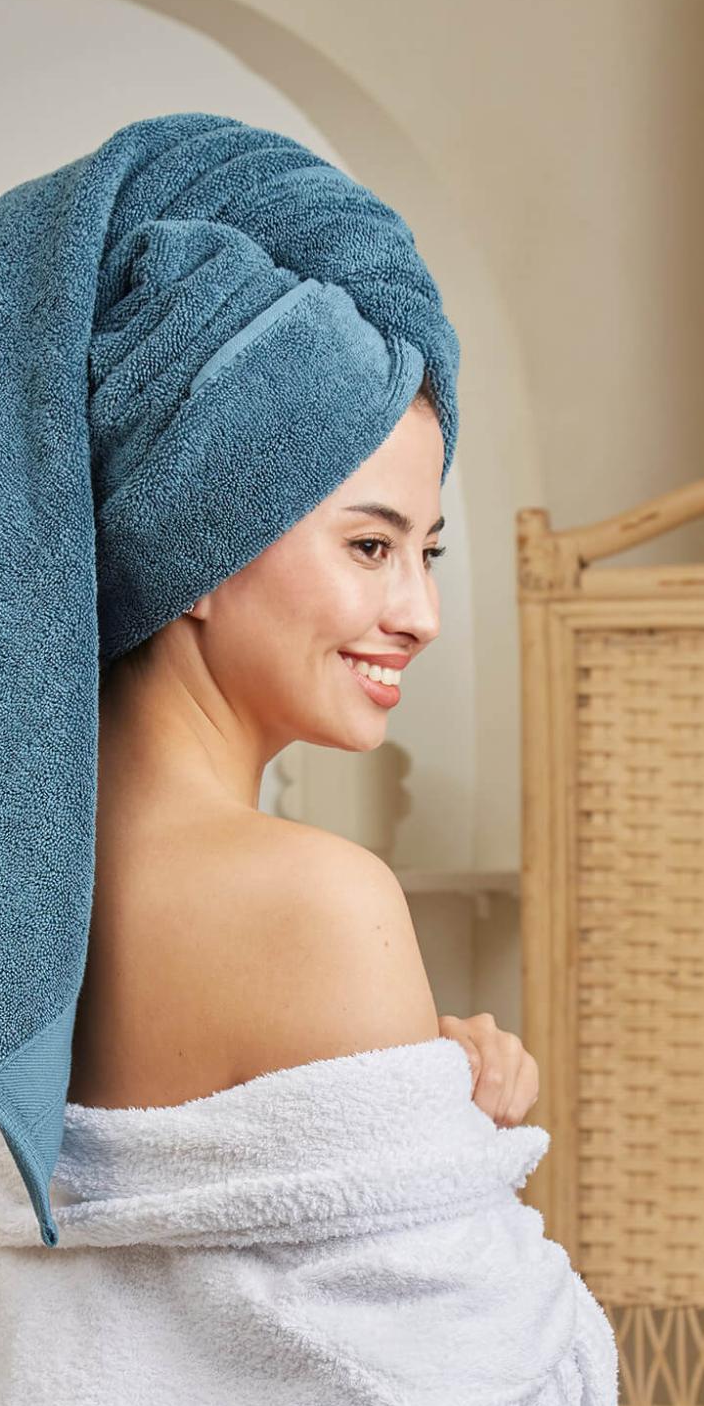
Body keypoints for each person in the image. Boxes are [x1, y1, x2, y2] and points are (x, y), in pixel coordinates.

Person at [74, 374, 541, 1127]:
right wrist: (468, 1132)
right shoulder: (325, 902)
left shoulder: (0, 887)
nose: (424, 617)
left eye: (428, 552)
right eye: (370, 546)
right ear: (190, 554)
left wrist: (423, 1081)